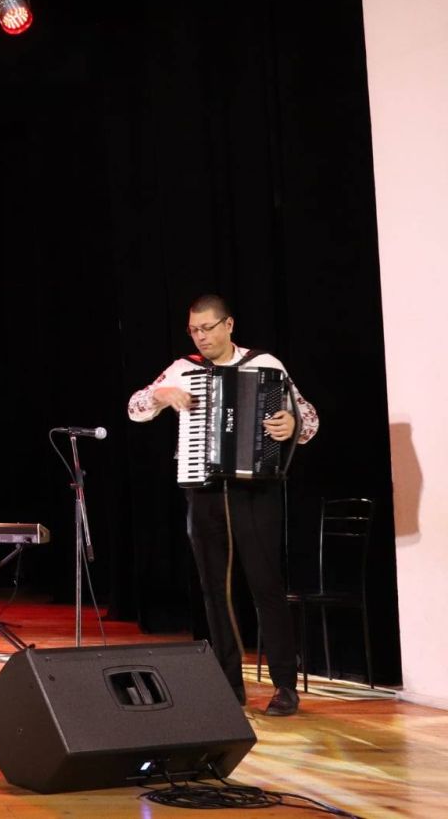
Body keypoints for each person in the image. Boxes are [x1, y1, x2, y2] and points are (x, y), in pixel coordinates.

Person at [127, 294, 318, 717]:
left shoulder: (266, 364)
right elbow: (134, 408)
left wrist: (292, 423)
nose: (200, 337)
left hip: (255, 491)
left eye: (207, 328)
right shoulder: (183, 369)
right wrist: (161, 395)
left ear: (228, 325)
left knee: (266, 586)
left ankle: (285, 685)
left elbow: (309, 420)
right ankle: (230, 685)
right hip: (204, 490)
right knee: (215, 590)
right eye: (194, 330)